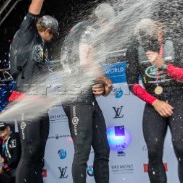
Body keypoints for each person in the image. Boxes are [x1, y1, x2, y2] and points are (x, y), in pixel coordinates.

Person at [126, 18, 183, 183]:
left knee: (181, 147)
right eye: (144, 39)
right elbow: (132, 84)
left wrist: (163, 65)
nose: (149, 42)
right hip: (153, 104)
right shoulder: (134, 48)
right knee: (154, 151)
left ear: (159, 30)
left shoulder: (176, 41)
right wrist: (154, 102)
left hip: (179, 99)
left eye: (152, 37)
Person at [60, 3, 115, 183]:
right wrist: (106, 81)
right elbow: (85, 62)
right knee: (82, 152)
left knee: (102, 150)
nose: (113, 28)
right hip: (76, 94)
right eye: (111, 23)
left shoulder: (80, 28)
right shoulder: (90, 29)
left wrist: (97, 84)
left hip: (85, 93)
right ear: (104, 19)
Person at [8, 0, 58, 182]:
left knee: (38, 151)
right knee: (29, 150)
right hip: (26, 99)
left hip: (40, 102)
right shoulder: (27, 34)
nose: (52, 39)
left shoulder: (41, 47)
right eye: (52, 35)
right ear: (47, 30)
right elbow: (32, 13)